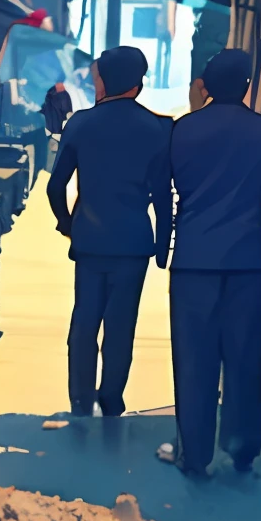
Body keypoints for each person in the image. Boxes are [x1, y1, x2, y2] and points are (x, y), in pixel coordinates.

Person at [166, 49, 261, 475]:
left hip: (192, 262)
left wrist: (162, 244)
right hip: (247, 263)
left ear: (205, 85)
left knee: (193, 362)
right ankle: (242, 448)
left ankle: (195, 454)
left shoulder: (179, 131)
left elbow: (159, 189)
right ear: (248, 85)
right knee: (244, 358)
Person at [46, 45, 172, 418]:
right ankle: (112, 396)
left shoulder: (82, 123)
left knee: (84, 321)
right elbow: (164, 194)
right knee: (121, 326)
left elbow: (57, 187)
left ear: (105, 82)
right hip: (133, 243)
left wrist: (68, 224)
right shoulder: (158, 128)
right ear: (138, 83)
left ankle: (80, 398)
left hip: (90, 240)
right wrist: (163, 245)